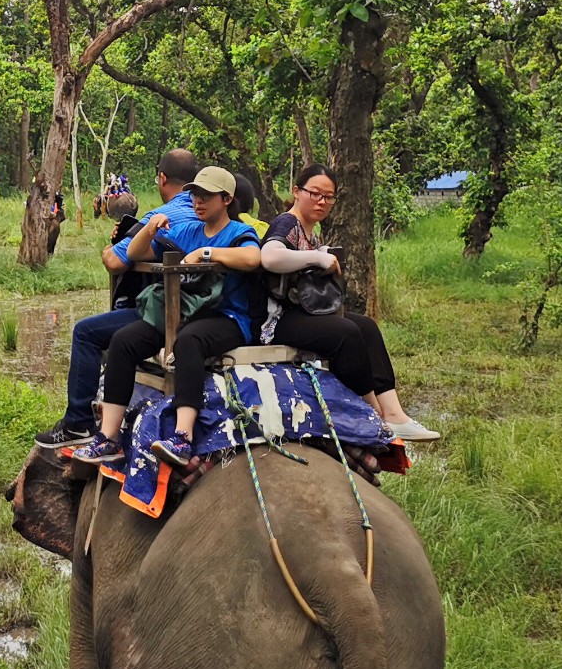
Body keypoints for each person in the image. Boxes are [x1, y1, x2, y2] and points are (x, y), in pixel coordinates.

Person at [75, 166, 264, 468]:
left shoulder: (239, 232)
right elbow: (137, 254)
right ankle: (108, 437)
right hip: (183, 314)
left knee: (188, 341)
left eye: (206, 196)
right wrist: (149, 229)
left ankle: (182, 437)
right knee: (124, 340)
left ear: (227, 199)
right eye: (195, 195)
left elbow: (253, 257)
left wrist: (207, 253)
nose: (198, 202)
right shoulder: (187, 230)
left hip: (225, 318)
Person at [259, 163, 439, 442]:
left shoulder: (310, 230)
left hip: (303, 313)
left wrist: (318, 250)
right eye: (315, 193)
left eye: (328, 197)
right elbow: (270, 257)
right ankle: (373, 411)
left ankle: (395, 413)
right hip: (278, 319)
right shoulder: (287, 223)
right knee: (346, 333)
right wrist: (317, 257)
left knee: (366, 326)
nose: (321, 201)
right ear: (296, 191)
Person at [34, 150, 201, 449]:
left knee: (85, 332)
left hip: (168, 315)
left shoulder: (166, 217)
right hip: (210, 318)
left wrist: (124, 240)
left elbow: (113, 261)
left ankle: (77, 423)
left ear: (162, 179)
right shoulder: (211, 216)